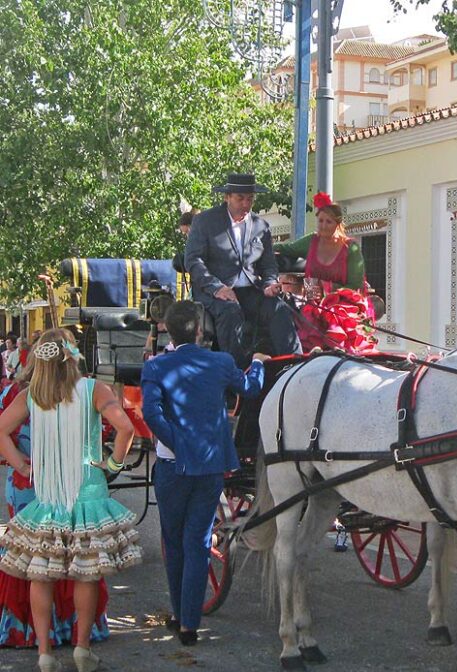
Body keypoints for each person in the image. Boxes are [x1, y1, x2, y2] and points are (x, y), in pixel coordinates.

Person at [0, 328, 140, 672]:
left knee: (41, 573)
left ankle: (45, 655)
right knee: (86, 572)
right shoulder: (94, 390)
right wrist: (112, 466)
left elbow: (0, 430)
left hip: (47, 496)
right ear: (72, 354)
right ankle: (81, 649)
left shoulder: (33, 395)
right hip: (88, 493)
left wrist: (22, 465)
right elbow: (125, 428)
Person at [141, 301, 266, 646]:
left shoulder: (156, 366)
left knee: (174, 540)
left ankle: (181, 614)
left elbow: (151, 414)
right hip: (210, 464)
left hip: (172, 465)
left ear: (167, 328)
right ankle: (189, 625)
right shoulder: (220, 361)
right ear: (200, 331)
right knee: (197, 541)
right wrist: (257, 363)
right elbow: (250, 388)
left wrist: (178, 444)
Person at [0, 367, 111, 648]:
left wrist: (22, 465)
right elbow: (108, 428)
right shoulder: (84, 392)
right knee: (77, 556)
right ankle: (76, 634)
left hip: (30, 480)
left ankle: (34, 636)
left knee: (34, 561)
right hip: (75, 482)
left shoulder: (18, 393)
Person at [184, 172, 301, 367]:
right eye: (240, 198)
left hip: (251, 291)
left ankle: (294, 365)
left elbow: (268, 264)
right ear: (227, 197)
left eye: (250, 199)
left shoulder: (260, 226)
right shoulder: (205, 221)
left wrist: (270, 283)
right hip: (214, 292)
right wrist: (217, 287)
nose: (246, 204)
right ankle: (238, 370)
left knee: (280, 309)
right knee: (231, 311)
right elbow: (193, 260)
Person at [275, 191, 375, 352]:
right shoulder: (311, 241)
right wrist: (261, 248)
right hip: (313, 302)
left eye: (328, 222)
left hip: (345, 302)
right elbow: (286, 248)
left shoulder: (351, 248)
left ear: (338, 223)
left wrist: (327, 289)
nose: (323, 225)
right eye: (320, 220)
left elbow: (355, 285)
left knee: (335, 314)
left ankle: (339, 346)